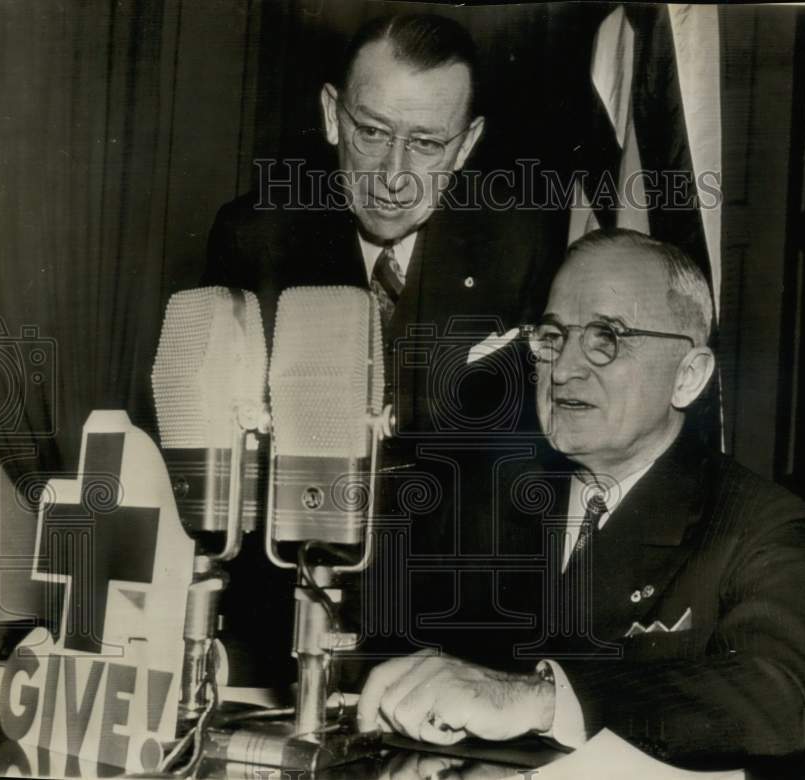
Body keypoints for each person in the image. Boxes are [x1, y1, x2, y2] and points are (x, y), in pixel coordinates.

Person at [357, 229, 805, 768]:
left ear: (688, 376)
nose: (563, 370)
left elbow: (776, 699)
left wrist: (539, 699)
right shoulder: (477, 495)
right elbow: (379, 653)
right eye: (553, 337)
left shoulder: (753, 520)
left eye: (607, 338)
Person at [204, 13, 563, 686]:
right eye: (372, 133)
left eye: (427, 144)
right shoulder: (255, 236)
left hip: (455, 644)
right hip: (283, 633)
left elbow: (529, 476)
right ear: (332, 114)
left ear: (466, 144)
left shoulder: (521, 244)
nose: (394, 177)